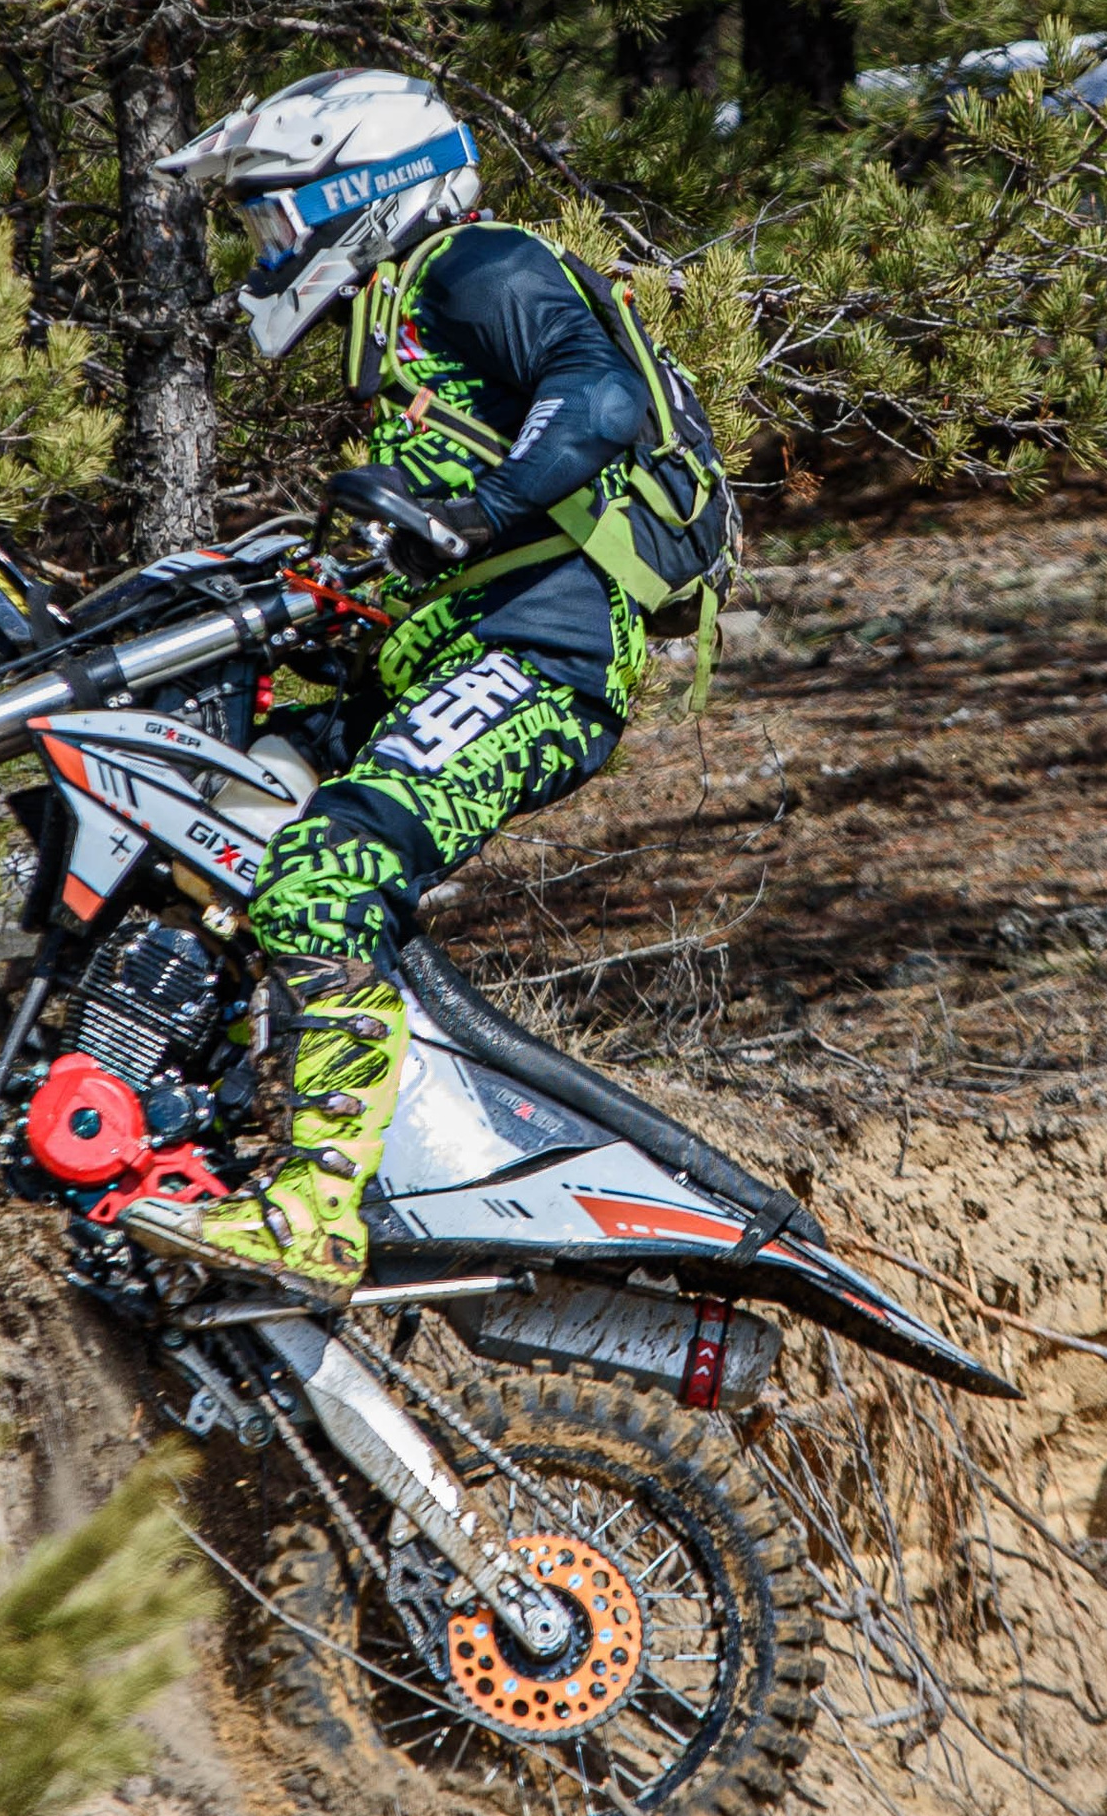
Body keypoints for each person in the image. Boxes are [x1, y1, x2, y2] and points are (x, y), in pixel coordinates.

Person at [123, 68, 711, 1303]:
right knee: (217, 826)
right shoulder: (404, 329)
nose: (268, 248)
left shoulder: (474, 262)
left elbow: (597, 394)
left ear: (367, 188)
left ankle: (315, 1214)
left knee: (325, 874)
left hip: (540, 655)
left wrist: (474, 515)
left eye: (279, 217)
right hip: (458, 652)